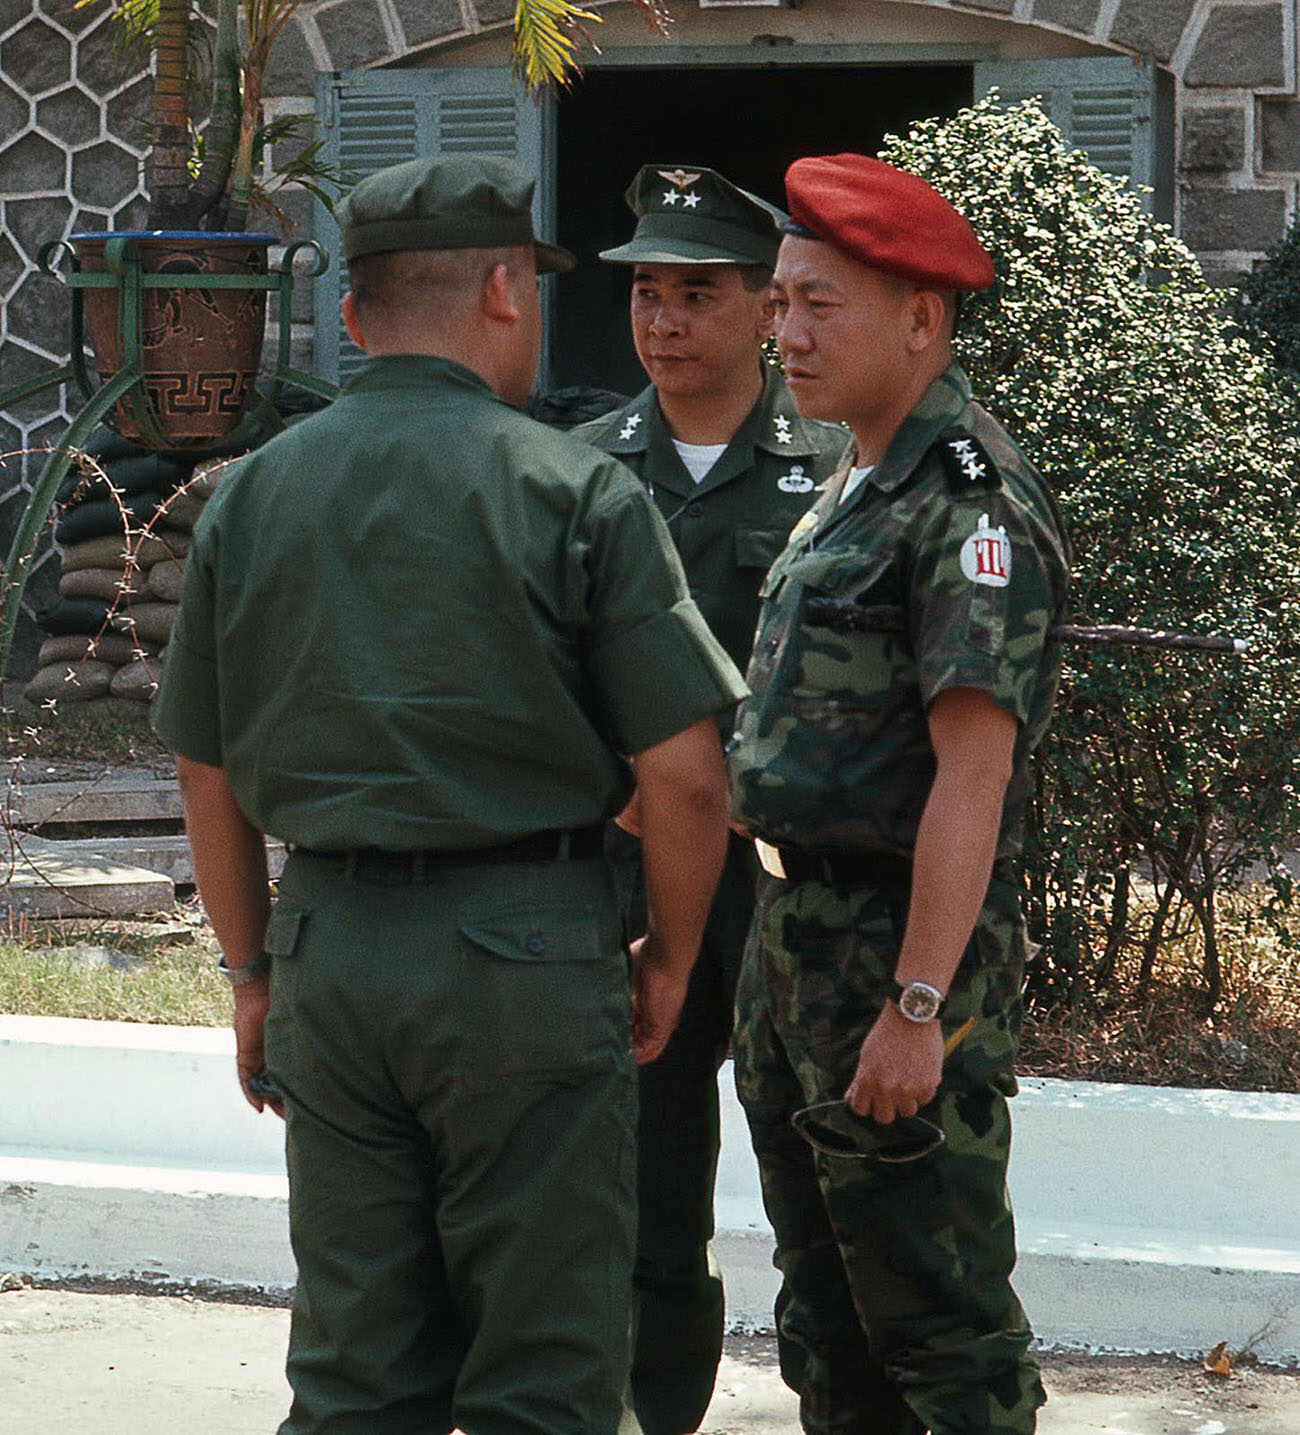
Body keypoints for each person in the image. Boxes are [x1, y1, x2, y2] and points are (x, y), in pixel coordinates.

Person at [151, 153, 748, 1435]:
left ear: (355, 319)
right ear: (502, 292)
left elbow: (205, 770)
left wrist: (252, 975)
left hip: (333, 953)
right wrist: (670, 958)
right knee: (544, 1379)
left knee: (357, 1373)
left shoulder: (249, 494)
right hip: (529, 960)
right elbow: (687, 779)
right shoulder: (575, 489)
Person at [727, 153, 1072, 1435]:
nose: (786, 332)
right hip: (793, 952)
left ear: (920, 320)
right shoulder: (852, 487)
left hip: (894, 956)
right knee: (826, 1321)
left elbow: (971, 773)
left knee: (938, 1326)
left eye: (820, 302)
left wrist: (918, 1007)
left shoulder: (965, 506)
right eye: (779, 300)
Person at [570, 163, 850, 1435]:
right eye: (647, 293)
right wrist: (630, 788)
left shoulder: (845, 465)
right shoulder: (576, 470)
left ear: (761, 309)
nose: (664, 319)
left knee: (827, 1183)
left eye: (698, 293)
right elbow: (544, 672)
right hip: (632, 874)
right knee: (646, 1184)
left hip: (801, 883)